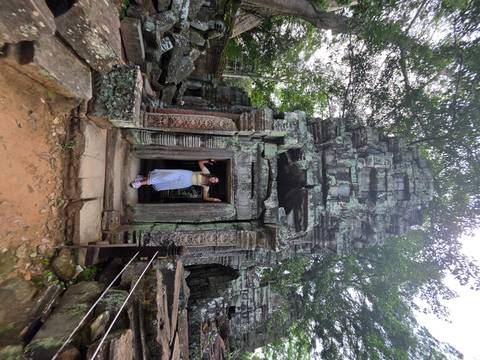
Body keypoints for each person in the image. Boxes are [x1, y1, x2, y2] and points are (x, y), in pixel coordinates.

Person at [130, 160, 221, 202]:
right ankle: (140, 183)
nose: (213, 180)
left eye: (214, 181)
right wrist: (208, 161)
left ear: (213, 183)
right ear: (213, 176)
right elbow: (200, 162)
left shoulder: (207, 186)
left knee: (165, 182)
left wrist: (213, 199)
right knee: (166, 176)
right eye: (215, 178)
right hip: (186, 174)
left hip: (186, 183)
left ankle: (142, 180)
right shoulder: (206, 172)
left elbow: (205, 197)